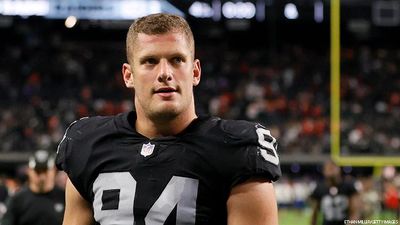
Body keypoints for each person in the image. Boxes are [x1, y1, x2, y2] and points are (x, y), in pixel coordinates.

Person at [56, 13, 281, 225]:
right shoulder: (88, 144)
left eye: (176, 59)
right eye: (150, 61)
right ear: (128, 75)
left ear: (195, 72)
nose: (165, 72)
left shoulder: (237, 149)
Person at [1, 150, 65, 225]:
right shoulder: (18, 199)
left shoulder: (64, 197)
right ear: (29, 171)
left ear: (53, 171)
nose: (42, 177)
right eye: (38, 171)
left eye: (45, 171)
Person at [310, 160, 360, 225]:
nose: (331, 170)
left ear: (339, 170)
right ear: (324, 171)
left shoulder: (348, 185)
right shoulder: (319, 188)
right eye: (328, 168)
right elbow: (315, 213)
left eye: (333, 168)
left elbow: (355, 211)